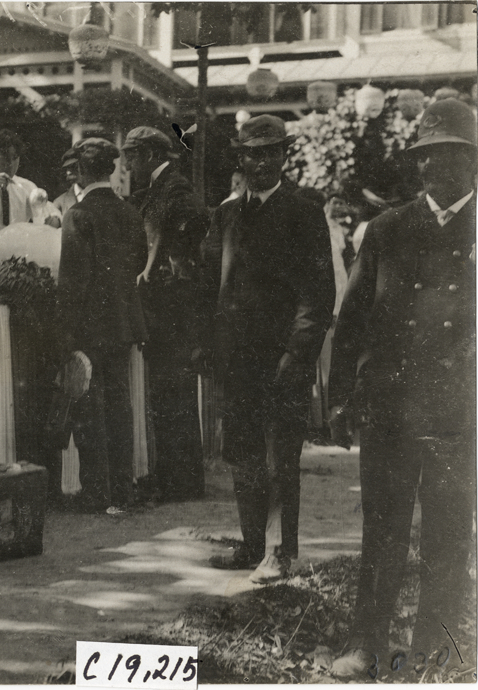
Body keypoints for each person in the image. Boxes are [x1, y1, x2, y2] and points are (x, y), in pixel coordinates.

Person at [329, 98, 477, 678]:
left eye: (449, 156)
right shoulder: (387, 229)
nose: (436, 168)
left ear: (471, 161)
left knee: (447, 533)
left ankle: (434, 650)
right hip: (389, 405)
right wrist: (341, 398)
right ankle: (365, 643)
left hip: (457, 411)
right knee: (382, 530)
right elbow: (353, 318)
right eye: (427, 157)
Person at [197, 115, 334, 584]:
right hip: (236, 360)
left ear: (284, 156)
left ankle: (279, 551)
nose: (261, 162)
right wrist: (208, 346)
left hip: (281, 362)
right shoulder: (227, 214)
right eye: (253, 153)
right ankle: (252, 544)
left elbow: (317, 297)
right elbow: (209, 283)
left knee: (280, 460)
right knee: (243, 454)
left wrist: (296, 358)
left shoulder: (303, 211)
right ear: (241, 159)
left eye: (271, 152)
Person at [56, 137, 148, 513]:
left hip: (89, 328)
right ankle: (123, 491)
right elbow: (140, 260)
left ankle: (97, 492)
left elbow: (71, 282)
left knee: (90, 410)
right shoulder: (129, 212)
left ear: (79, 171)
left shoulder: (77, 215)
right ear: (112, 170)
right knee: (120, 408)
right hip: (124, 323)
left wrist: (64, 334)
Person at [122, 125, 209, 502]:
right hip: (165, 301)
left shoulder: (173, 186)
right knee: (168, 391)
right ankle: (177, 478)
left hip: (172, 304)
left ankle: (181, 482)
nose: (127, 163)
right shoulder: (160, 188)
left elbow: (193, 222)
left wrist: (167, 262)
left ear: (150, 156)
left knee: (174, 391)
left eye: (131, 155)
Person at [53, 148, 82, 216]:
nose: (68, 172)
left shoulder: (99, 196)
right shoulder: (59, 202)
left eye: (73, 167)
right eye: (66, 168)